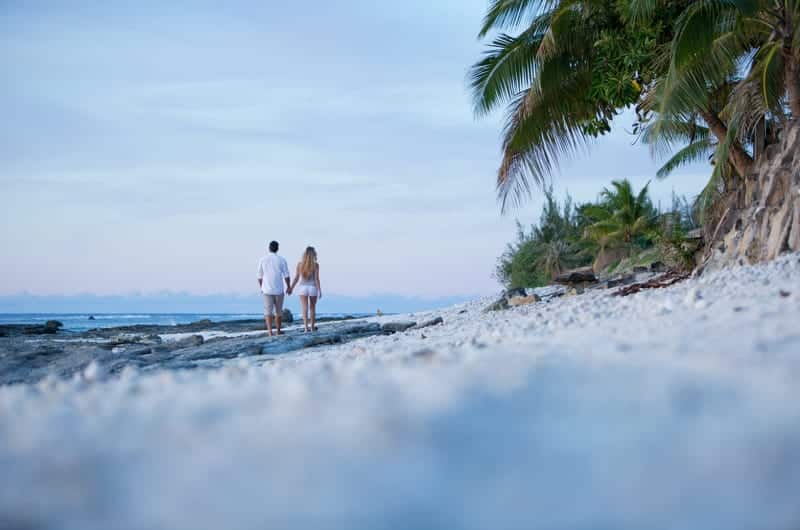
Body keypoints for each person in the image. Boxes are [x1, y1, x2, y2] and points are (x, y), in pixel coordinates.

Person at [257, 240, 291, 336]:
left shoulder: (263, 259)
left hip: (266, 289)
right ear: (277, 248)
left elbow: (259, 276)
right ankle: (278, 331)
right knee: (278, 311)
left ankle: (270, 332)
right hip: (279, 289)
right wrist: (288, 287)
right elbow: (286, 275)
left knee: (268, 311)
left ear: (269, 248)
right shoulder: (281, 259)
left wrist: (262, 287)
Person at [289, 246, 322, 332]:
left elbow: (296, 278)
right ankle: (312, 327)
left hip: (302, 287)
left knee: (304, 308)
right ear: (313, 254)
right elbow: (316, 279)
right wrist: (319, 290)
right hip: (312, 287)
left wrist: (291, 288)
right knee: (312, 308)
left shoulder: (300, 264)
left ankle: (306, 328)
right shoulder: (316, 265)